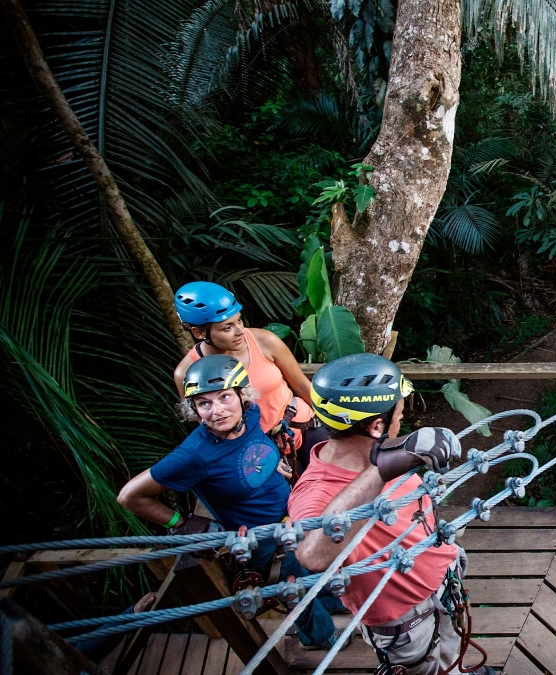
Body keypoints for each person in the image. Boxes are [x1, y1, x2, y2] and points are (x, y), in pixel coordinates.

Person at [117, 355, 339, 648]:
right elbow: (129, 496)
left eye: (224, 397)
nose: (218, 411)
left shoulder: (251, 414)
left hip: (291, 511)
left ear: (242, 395)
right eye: (204, 404)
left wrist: (270, 464)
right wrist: (181, 522)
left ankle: (332, 603)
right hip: (262, 538)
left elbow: (251, 450)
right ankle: (322, 639)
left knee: (315, 567)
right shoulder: (194, 454)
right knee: (292, 586)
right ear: (193, 409)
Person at [290, 353, 492, 675]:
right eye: (398, 414)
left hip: (442, 584)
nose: (402, 421)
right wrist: (380, 471)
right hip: (403, 621)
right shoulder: (317, 490)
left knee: (451, 650)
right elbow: (312, 555)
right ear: (376, 426)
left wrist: (445, 552)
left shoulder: (382, 450)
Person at [172, 281, 326, 476]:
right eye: (227, 328)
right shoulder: (188, 373)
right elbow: (212, 427)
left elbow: (304, 387)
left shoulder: (264, 341)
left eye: (239, 321)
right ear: (199, 332)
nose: (240, 332)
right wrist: (256, 457)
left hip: (304, 425)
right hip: (257, 449)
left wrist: (339, 425)